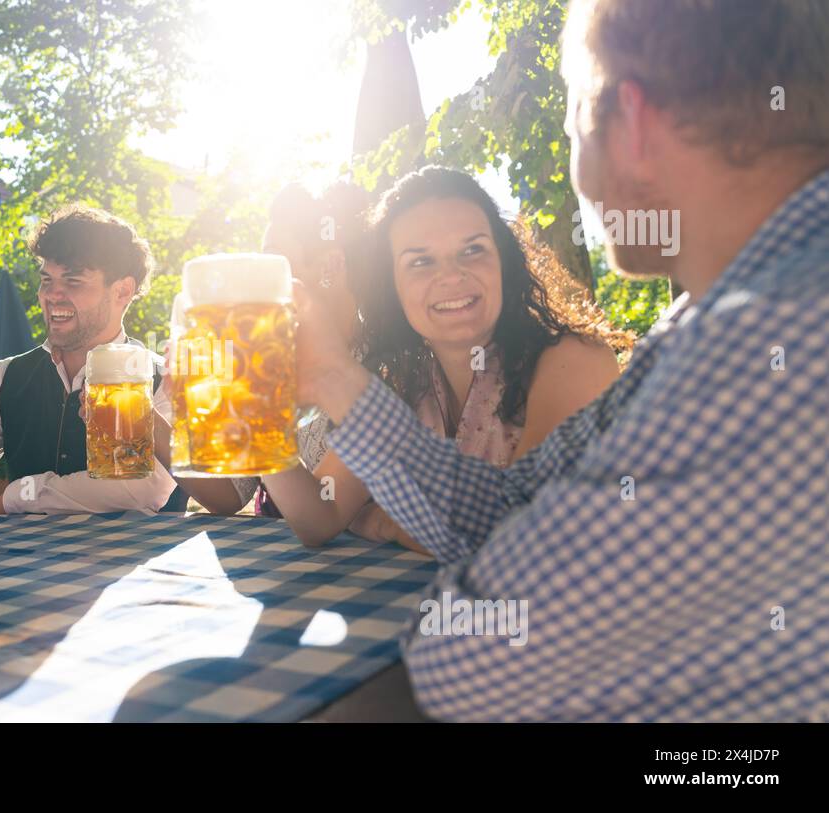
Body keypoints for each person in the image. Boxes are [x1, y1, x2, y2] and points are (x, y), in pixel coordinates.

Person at [295, 0, 829, 721]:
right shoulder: (707, 320)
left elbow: (475, 661)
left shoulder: (765, 333)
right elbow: (519, 504)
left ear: (630, 122)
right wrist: (329, 375)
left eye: (575, 119)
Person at [262, 168, 625, 550]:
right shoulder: (403, 379)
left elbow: (527, 536)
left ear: (502, 261)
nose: (452, 275)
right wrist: (259, 417)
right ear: (392, 285)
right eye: (421, 261)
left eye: (473, 250)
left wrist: (391, 525)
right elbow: (320, 516)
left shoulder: (574, 361)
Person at [0, 204, 181, 514]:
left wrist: (17, 495)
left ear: (123, 291)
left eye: (73, 282)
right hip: (25, 561)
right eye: (47, 280)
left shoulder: (166, 379)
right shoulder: (3, 377)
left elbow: (137, 490)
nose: (52, 295)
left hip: (139, 560)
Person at [172, 182, 372, 517]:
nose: (257, 278)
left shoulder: (381, 369)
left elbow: (325, 512)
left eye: (273, 261)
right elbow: (229, 495)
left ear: (330, 266)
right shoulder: (273, 358)